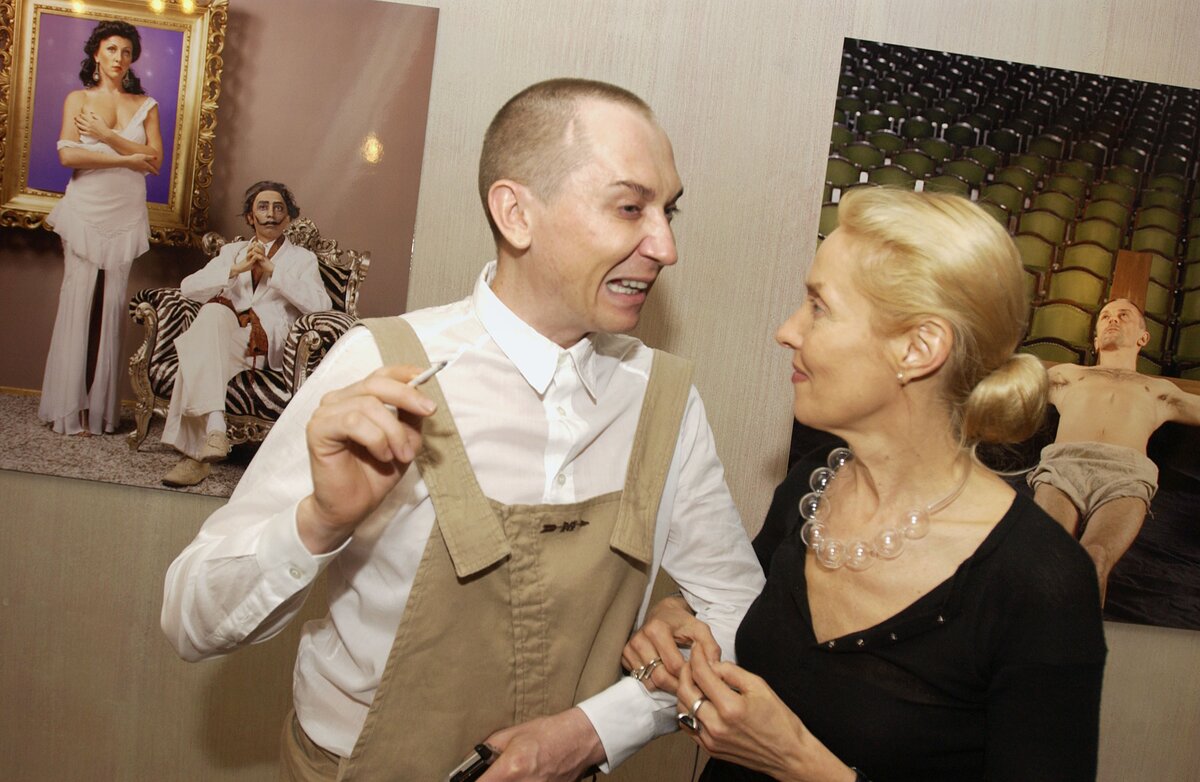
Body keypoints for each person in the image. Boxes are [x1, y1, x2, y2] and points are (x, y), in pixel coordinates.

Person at [160, 78, 764, 781]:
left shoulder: (662, 400)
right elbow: (191, 619)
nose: (665, 245)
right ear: (516, 214)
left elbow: (740, 613)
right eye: (631, 207)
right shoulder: (381, 365)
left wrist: (598, 730)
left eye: (668, 211)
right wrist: (318, 522)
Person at [623, 188, 1107, 781]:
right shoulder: (811, 487)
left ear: (918, 348)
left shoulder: (1041, 581)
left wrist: (797, 762)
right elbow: (752, 625)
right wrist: (682, 617)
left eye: (818, 307)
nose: (786, 331)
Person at [159, 181, 332, 487]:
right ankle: (215, 430)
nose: (271, 214)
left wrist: (274, 271)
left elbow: (321, 305)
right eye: (262, 207)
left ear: (288, 218)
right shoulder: (232, 252)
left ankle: (195, 458)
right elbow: (188, 288)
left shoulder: (303, 259)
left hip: (265, 344)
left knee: (198, 347)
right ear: (251, 217)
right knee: (212, 313)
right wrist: (235, 269)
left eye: (278, 208)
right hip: (226, 335)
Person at [1030, 297, 1200, 604]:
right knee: (1048, 558)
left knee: (1094, 559)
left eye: (1123, 315)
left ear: (1143, 338)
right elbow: (1007, 386)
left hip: (1125, 475)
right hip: (1064, 466)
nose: (1113, 320)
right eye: (1106, 316)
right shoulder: (1069, 375)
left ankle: (1081, 635)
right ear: (1096, 339)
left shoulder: (1158, 389)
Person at [39, 20, 163, 435]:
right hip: (86, 206)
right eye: (111, 49)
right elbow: (68, 157)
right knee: (76, 300)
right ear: (97, 53)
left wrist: (107, 136)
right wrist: (128, 158)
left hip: (125, 210)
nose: (119, 58)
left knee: (112, 306)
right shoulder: (78, 99)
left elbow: (154, 161)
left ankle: (101, 412)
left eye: (126, 52)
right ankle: (68, 409)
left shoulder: (146, 104)